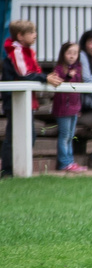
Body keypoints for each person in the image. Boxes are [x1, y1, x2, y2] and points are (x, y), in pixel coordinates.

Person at [3, 20, 49, 176]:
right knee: (14, 136)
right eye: (31, 33)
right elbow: (25, 74)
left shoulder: (26, 51)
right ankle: (8, 170)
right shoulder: (16, 51)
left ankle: (18, 168)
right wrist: (45, 78)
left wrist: (43, 77)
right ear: (20, 36)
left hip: (26, 101)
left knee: (28, 136)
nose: (35, 35)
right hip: (15, 102)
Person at [47, 42, 87, 172]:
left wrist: (79, 107)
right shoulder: (59, 69)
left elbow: (78, 89)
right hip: (63, 108)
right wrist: (68, 76)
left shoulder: (78, 69)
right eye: (69, 53)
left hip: (74, 108)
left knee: (70, 136)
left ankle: (69, 161)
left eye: (75, 53)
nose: (72, 56)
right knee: (64, 136)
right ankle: (65, 162)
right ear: (63, 54)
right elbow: (60, 83)